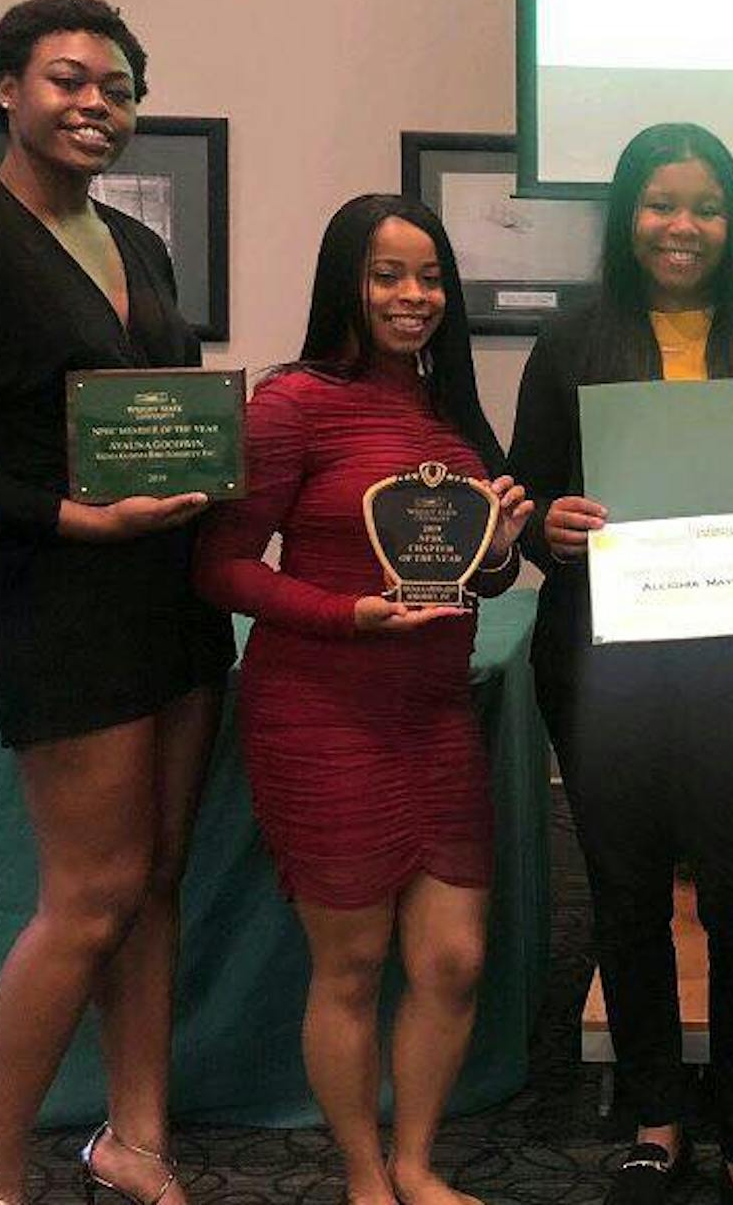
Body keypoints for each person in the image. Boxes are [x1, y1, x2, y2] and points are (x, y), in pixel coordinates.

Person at [0, 0, 236, 1205]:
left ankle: (134, 1138)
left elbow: (164, 417)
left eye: (118, 88)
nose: (96, 105)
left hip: (168, 593)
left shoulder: (136, 245)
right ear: (4, 92)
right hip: (53, 592)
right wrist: (73, 516)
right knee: (88, 897)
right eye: (70, 80)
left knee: (160, 877)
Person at [192, 195, 530, 1205]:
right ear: (347, 280)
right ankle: (361, 1175)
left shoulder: (450, 411)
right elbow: (220, 568)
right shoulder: (290, 403)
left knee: (454, 961)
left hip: (433, 716)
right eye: (388, 275)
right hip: (320, 713)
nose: (413, 296)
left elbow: (476, 574)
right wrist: (348, 615)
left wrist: (502, 554)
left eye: (429, 278)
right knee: (351, 966)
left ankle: (417, 1163)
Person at [507, 122, 733, 1205]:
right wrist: (550, 523)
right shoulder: (570, 342)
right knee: (628, 896)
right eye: (658, 203)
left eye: (705, 206)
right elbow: (524, 501)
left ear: (732, 222)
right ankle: (654, 1117)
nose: (681, 227)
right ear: (625, 217)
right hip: (605, 665)